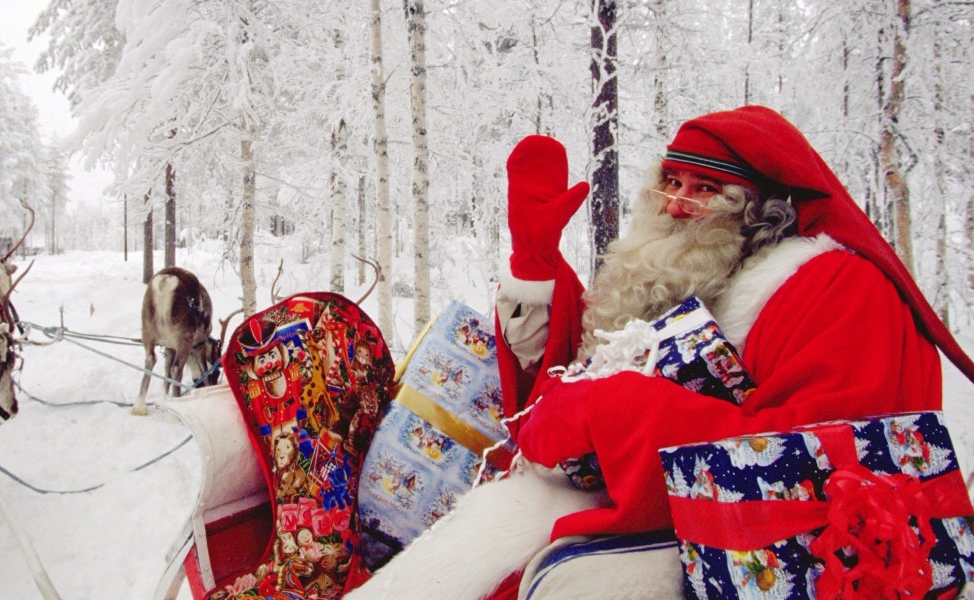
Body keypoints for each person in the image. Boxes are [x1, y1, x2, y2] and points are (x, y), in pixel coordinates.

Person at [349, 105, 974, 599]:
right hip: (629, 495)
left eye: (704, 188)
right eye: (671, 181)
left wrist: (618, 408)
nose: (676, 204)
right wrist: (536, 266)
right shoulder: (698, 269)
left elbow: (820, 465)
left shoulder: (838, 289)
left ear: (765, 210)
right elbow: (582, 368)